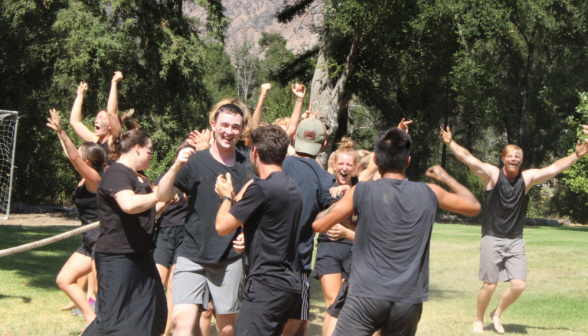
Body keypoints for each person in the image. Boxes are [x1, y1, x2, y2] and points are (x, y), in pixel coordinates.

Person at [313, 127, 481, 336]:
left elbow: (319, 225)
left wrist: (342, 202)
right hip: (408, 299)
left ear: (375, 160)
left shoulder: (362, 190)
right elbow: (474, 206)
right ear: (407, 161)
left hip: (365, 295)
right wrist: (445, 177)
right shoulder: (430, 191)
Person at [439, 126, 588, 334]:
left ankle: (497, 314)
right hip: (492, 237)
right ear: (503, 159)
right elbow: (469, 159)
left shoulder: (526, 179)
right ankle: (478, 319)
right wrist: (450, 143)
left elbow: (554, 168)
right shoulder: (492, 175)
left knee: (519, 285)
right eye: (510, 156)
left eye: (518, 157)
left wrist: (576, 155)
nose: (514, 160)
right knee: (490, 285)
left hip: (515, 240)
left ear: (521, 161)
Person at [82, 129, 194, 335]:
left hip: (141, 256)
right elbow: (129, 204)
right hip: (117, 258)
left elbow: (152, 211)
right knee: (111, 321)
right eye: (150, 151)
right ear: (137, 149)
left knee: (152, 313)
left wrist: (178, 174)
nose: (151, 156)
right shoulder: (117, 173)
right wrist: (159, 194)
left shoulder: (139, 178)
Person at [157, 103, 255, 336]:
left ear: (241, 131)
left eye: (235, 127)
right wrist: (175, 166)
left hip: (229, 256)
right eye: (224, 125)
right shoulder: (194, 161)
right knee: (180, 323)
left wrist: (247, 234)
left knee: (227, 329)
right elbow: (161, 195)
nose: (229, 132)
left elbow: (259, 206)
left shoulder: (249, 163)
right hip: (192, 253)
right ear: (213, 125)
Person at [215, 125, 304, 336]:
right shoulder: (292, 187)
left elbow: (221, 226)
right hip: (289, 284)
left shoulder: (262, 188)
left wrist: (227, 196)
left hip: (266, 284)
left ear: (255, 152)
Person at [279, 118, 339, 335]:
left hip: (264, 258)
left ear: (295, 139)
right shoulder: (325, 180)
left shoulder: (276, 165)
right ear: (323, 146)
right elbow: (339, 216)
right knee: (296, 320)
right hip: (299, 262)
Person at [47, 109, 106, 326]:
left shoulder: (94, 178)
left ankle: (103, 326)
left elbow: (73, 156)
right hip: (88, 239)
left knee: (102, 289)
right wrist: (59, 134)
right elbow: (70, 154)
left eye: (82, 153)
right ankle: (91, 317)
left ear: (88, 160)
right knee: (64, 280)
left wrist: (63, 131)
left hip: (101, 238)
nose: (77, 155)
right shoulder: (85, 176)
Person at [314, 137, 359, 336]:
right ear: (334, 165)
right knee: (333, 303)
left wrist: (350, 194)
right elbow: (314, 218)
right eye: (341, 163)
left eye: (349, 164)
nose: (344, 168)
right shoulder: (324, 186)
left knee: (353, 304)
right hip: (328, 248)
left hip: (354, 249)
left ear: (356, 168)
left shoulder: (362, 189)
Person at [153, 141, 196, 336]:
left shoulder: (196, 180)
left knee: (174, 285)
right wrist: (169, 198)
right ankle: (150, 324)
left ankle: (165, 331)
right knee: (156, 281)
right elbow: (155, 211)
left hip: (186, 234)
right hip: (165, 232)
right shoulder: (166, 178)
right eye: (184, 156)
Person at [69, 72, 138, 157]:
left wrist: (114, 83)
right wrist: (80, 95)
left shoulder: (114, 141)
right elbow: (74, 122)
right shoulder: (95, 141)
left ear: (110, 126)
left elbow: (112, 113)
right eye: (97, 117)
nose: (97, 120)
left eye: (101, 117)